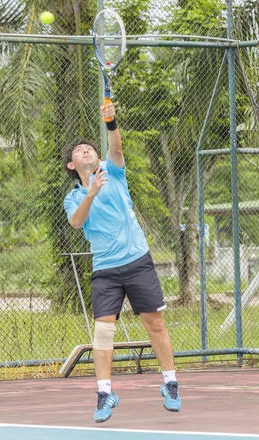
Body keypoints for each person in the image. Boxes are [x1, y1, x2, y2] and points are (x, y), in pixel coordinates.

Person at [62, 101, 181, 423]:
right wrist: (91, 193)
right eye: (80, 151)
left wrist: (111, 122)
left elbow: (116, 145)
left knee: (154, 323)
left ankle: (170, 383)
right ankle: (104, 392)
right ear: (72, 165)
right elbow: (76, 223)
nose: (86, 151)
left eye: (90, 148)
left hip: (138, 260)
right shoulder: (73, 197)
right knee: (103, 332)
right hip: (106, 270)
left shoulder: (114, 171)